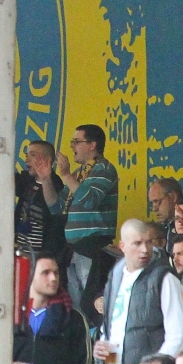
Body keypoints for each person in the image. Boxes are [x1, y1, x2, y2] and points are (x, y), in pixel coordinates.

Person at [95, 220, 183, 364]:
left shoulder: (164, 279)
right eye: (137, 243)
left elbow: (180, 337)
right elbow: (113, 333)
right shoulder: (115, 278)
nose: (145, 249)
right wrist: (105, 354)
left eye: (148, 242)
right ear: (122, 246)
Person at [42, 124, 119, 314]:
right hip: (73, 250)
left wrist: (66, 175)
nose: (72, 146)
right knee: (75, 307)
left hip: (93, 248)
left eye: (77, 141)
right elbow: (56, 206)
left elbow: (90, 201)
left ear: (92, 144)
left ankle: (95, 341)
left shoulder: (104, 169)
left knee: (91, 303)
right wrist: (46, 179)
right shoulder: (80, 174)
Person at [12, 253, 90, 364]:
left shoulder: (73, 318)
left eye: (56, 273)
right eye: (45, 273)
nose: (53, 278)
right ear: (29, 275)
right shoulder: (11, 316)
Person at [15, 141, 66, 260]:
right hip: (21, 250)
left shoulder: (55, 183)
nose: (27, 159)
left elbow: (54, 205)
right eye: (26, 155)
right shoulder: (26, 180)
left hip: (41, 254)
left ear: (47, 160)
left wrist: (45, 179)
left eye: (32, 155)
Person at [148, 178, 183, 255]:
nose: (154, 209)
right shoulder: (168, 225)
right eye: (152, 203)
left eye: (157, 201)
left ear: (173, 197)